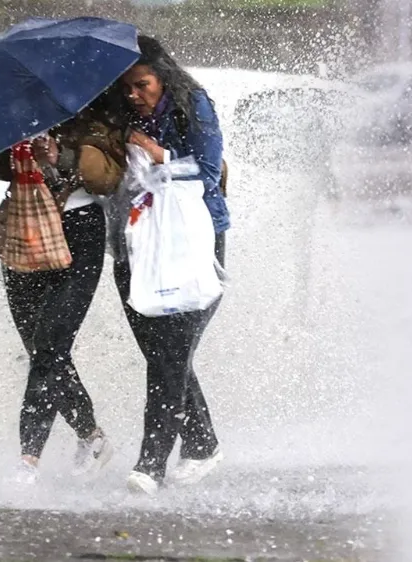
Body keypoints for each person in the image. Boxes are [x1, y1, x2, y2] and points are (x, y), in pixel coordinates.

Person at [0, 93, 126, 484]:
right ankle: (92, 436)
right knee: (40, 348)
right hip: (24, 225)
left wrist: (58, 155)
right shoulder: (14, 106)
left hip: (80, 232)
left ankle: (28, 459)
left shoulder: (95, 106)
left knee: (50, 345)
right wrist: (10, 142)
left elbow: (109, 177)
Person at [108, 35, 228, 495]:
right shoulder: (118, 116)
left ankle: (150, 463)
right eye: (126, 88)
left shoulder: (192, 105)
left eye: (142, 85)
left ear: (163, 77)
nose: (134, 95)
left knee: (172, 353)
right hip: (135, 242)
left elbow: (209, 170)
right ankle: (202, 445)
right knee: (161, 354)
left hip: (190, 240)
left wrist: (159, 156)